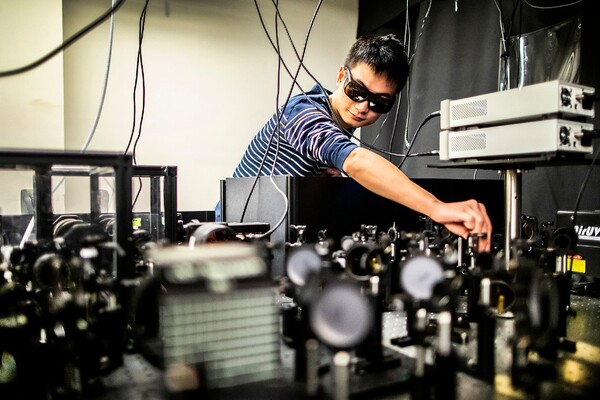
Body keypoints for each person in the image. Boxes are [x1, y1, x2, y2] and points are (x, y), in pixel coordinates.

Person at [230, 33, 492, 251]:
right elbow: (354, 160)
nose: (363, 106)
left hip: (271, 242)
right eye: (356, 91)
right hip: (229, 242)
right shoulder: (302, 112)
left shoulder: (335, 124)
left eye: (379, 102)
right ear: (341, 75)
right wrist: (437, 208)